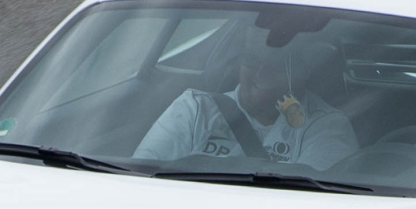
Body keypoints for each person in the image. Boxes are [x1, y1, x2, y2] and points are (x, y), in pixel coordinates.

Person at [135, 44, 359, 170]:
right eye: (252, 59)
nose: (261, 73)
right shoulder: (194, 109)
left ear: (302, 71)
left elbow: (312, 207)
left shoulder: (326, 126)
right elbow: (140, 179)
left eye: (276, 63)